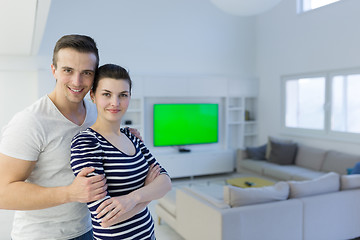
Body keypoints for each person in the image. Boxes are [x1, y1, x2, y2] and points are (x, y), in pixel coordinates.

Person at [0, 35, 142, 239]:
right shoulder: (30, 122)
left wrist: (124, 136)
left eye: (86, 73)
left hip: (88, 229)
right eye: (68, 70)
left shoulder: (95, 113)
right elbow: (2, 194)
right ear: (54, 70)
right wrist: (69, 193)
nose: (77, 81)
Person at [70, 64, 172, 240]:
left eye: (123, 95)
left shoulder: (131, 136)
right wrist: (149, 191)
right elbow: (105, 218)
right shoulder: (86, 143)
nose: (115, 103)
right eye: (107, 94)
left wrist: (133, 197)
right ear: (93, 96)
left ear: (129, 97)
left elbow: (166, 181)